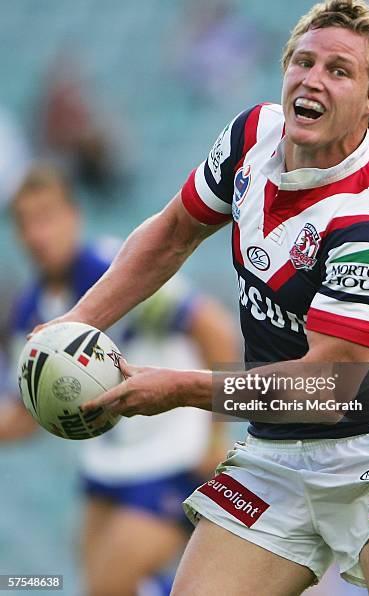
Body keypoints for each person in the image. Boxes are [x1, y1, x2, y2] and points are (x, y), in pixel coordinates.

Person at [32, 0, 369, 595]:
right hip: (276, 454)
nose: (312, 79)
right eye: (303, 61)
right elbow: (175, 231)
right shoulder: (253, 135)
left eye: (339, 70)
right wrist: (71, 327)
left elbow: (326, 387)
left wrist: (180, 388)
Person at [3, 163, 239, 596]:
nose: (38, 234)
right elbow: (23, 414)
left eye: (48, 217)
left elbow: (214, 330)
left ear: (74, 216)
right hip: (107, 466)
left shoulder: (115, 271)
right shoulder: (30, 310)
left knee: (109, 586)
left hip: (174, 455)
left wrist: (214, 437)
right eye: (26, 223)